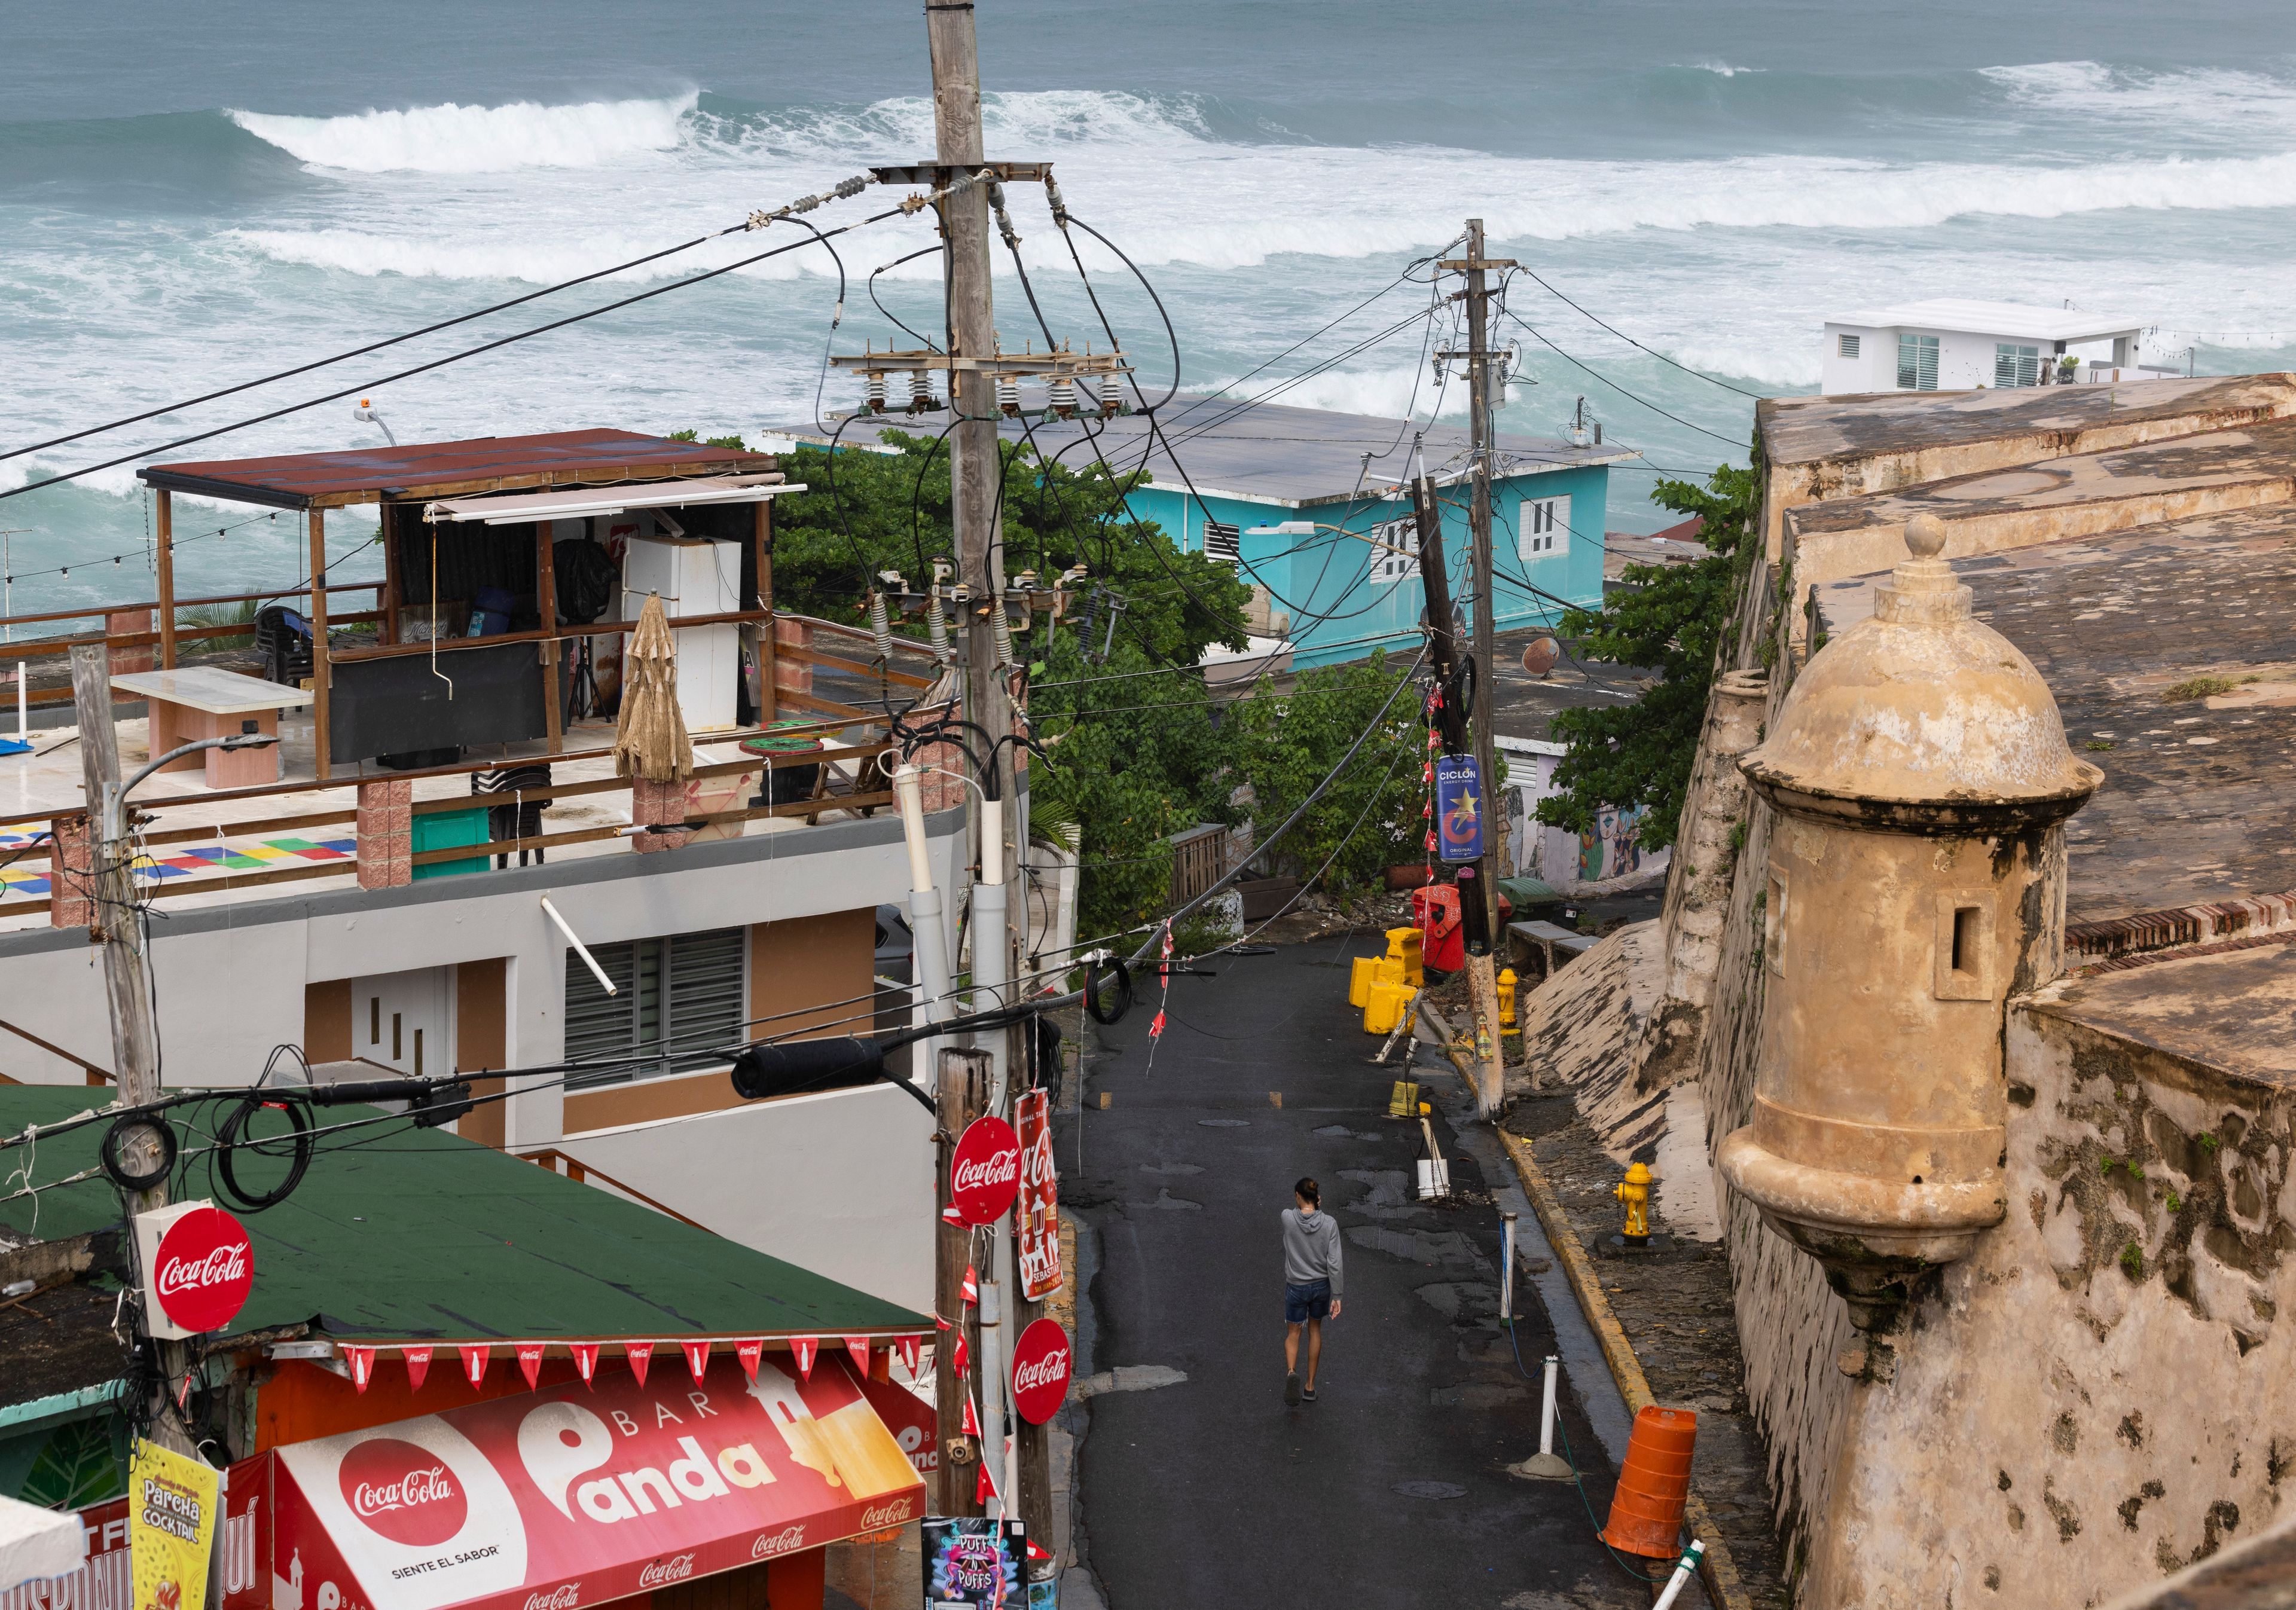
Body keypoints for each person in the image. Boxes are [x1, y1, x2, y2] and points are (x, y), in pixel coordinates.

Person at [1282, 1176, 1344, 1404]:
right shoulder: (1330, 1224)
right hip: (1321, 1288)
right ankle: (1309, 1387)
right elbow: (1335, 1263)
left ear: (1298, 1196)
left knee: (1294, 1333)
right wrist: (1337, 1295)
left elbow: (1296, 1211)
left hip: (1296, 1286)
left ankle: (1291, 1372)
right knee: (1315, 1330)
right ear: (1318, 1199)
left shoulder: (1287, 1218)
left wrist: (1305, 1203)